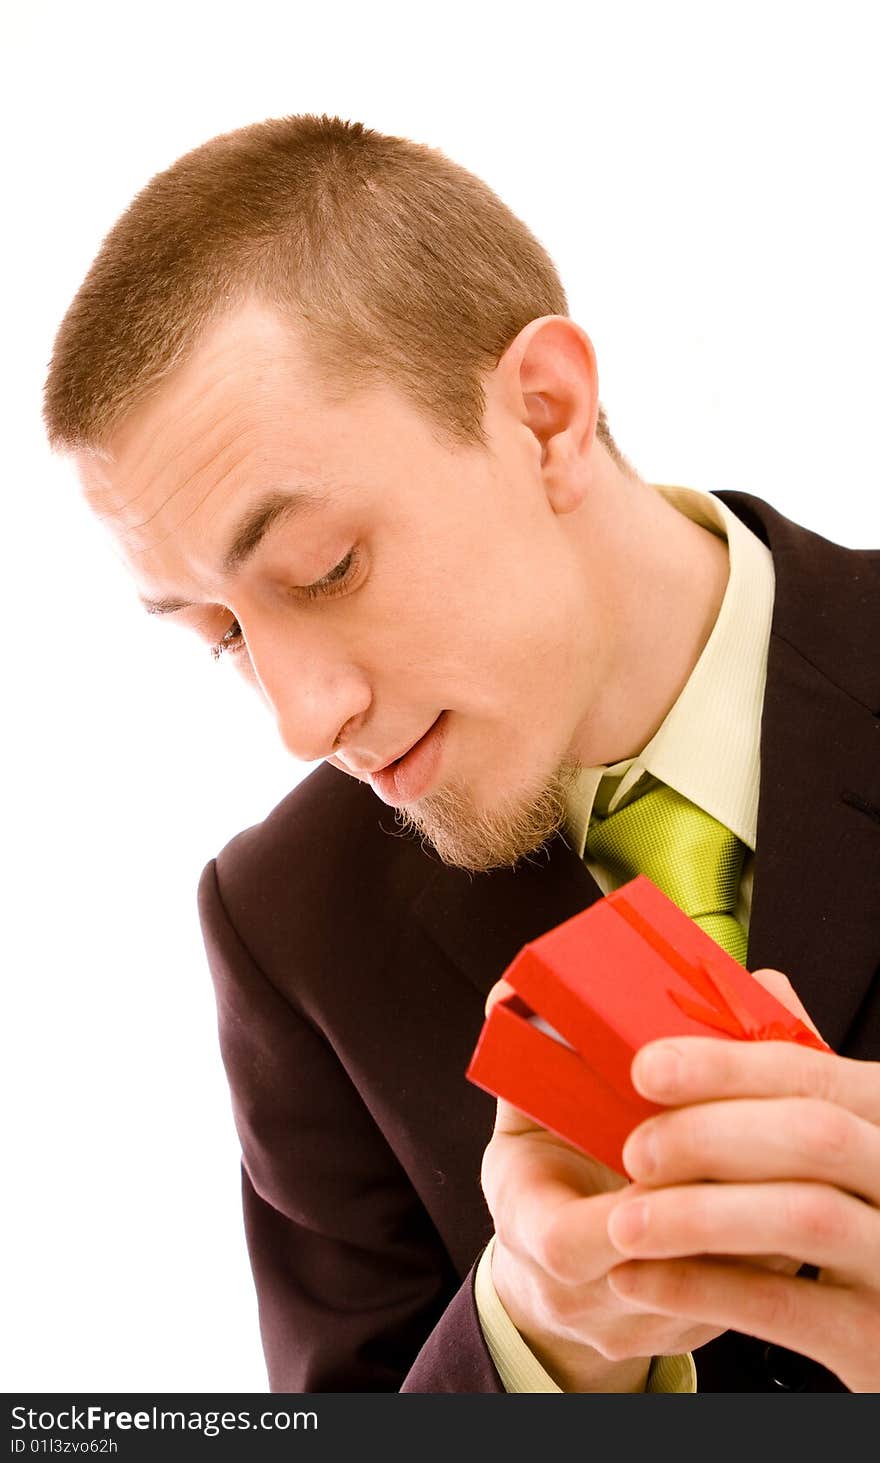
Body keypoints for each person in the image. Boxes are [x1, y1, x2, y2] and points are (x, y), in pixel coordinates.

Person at [42, 113, 879, 1395]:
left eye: (327, 567)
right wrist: (530, 1339)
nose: (299, 723)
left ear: (545, 416)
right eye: (224, 636)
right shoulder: (289, 924)